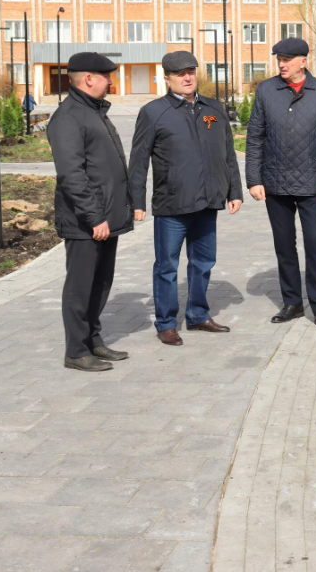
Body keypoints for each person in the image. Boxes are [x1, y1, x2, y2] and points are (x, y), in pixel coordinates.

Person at [128, 51, 244, 346]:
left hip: (208, 202)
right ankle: (166, 323)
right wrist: (137, 202)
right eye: (180, 73)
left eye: (191, 71)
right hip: (172, 204)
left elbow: (227, 153)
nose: (188, 77)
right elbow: (139, 161)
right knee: (167, 266)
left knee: (203, 262)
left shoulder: (213, 109)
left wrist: (234, 191)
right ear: (167, 78)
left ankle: (197, 315)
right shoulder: (154, 113)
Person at [245, 38, 316, 332]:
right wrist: (254, 179)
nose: (282, 64)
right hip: (274, 184)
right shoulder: (266, 91)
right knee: (284, 246)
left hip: (312, 184)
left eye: (287, 59)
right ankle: (291, 303)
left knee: (315, 245)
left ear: (303, 61)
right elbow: (255, 138)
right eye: (279, 59)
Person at [47, 52, 134, 371]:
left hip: (104, 218)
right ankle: (75, 350)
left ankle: (93, 341)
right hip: (85, 222)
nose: (111, 82)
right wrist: (94, 216)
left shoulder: (93, 111)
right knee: (81, 285)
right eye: (106, 76)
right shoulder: (69, 117)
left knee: (100, 282)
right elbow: (72, 174)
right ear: (89, 79)